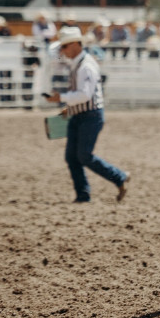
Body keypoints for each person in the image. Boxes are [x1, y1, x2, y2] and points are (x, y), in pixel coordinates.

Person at [45, 27, 130, 203]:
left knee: (83, 155)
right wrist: (69, 107)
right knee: (72, 156)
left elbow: (85, 95)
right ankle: (83, 194)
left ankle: (119, 177)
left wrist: (61, 98)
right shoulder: (78, 63)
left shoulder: (86, 66)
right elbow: (82, 94)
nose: (62, 51)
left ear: (76, 44)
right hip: (81, 115)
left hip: (90, 116)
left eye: (65, 46)